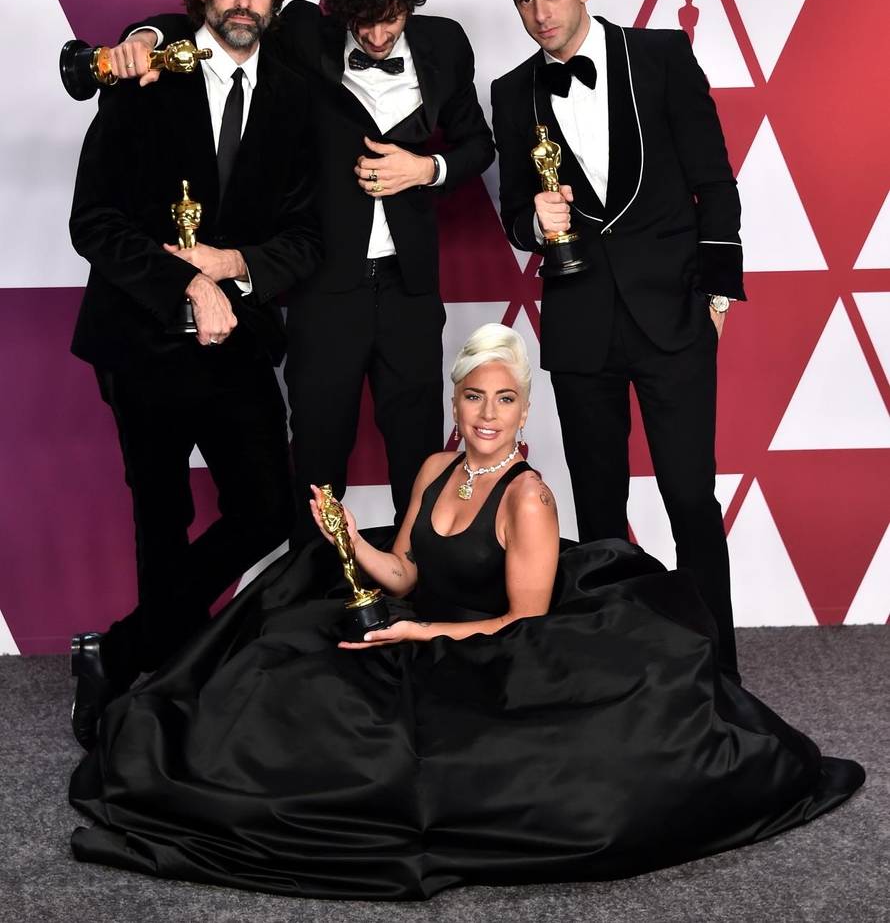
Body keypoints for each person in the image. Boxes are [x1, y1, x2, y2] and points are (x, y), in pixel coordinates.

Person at [69, 324, 863, 900]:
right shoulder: (436, 467)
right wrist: (350, 539)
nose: (488, 415)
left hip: (490, 654)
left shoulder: (531, 502)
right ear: (455, 399)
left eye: (505, 400)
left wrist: (422, 635)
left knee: (373, 748)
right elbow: (407, 572)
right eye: (475, 396)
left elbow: (525, 625)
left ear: (524, 412)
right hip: (421, 626)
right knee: (278, 661)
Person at [113, 0, 495, 539]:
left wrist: (426, 169)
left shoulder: (446, 44)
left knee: (419, 455)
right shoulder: (298, 34)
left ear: (411, 2)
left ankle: (417, 597)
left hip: (411, 289)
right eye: (361, 23)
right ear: (335, 9)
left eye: (390, 19)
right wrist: (147, 38)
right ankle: (309, 602)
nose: (375, 37)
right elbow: (214, 21)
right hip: (323, 286)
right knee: (317, 457)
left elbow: (478, 143)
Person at [68, 0, 321, 751]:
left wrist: (233, 266)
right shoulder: (149, 69)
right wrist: (185, 281)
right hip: (140, 340)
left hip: (236, 341)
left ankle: (122, 651)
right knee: (161, 515)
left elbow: (304, 236)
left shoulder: (293, 92)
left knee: (269, 510)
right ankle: (162, 701)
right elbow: (93, 221)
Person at [490, 0, 744, 678]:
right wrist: (532, 222)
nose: (543, 14)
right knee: (600, 517)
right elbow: (512, 219)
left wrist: (720, 295)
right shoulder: (511, 93)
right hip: (579, 327)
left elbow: (714, 183)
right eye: (526, 0)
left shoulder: (661, 55)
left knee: (690, 501)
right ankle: (618, 675)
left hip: (674, 314)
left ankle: (717, 672)